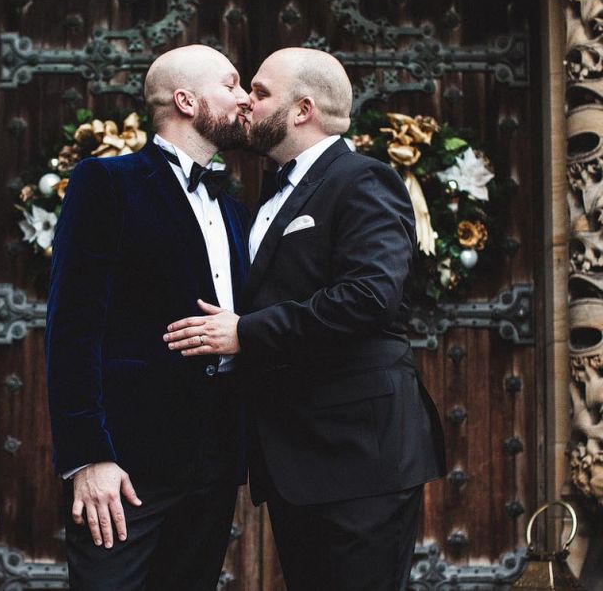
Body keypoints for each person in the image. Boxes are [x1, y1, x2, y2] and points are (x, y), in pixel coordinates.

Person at [164, 47, 446, 591]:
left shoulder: (364, 180)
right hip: (298, 460)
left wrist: (245, 332)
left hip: (360, 457)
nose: (247, 100)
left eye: (262, 92)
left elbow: (369, 296)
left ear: (302, 110)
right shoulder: (272, 194)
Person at [45, 44, 251, 590]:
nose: (244, 97)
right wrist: (88, 457)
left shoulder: (232, 208)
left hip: (213, 462)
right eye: (230, 85)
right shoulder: (107, 183)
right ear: (186, 100)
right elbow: (72, 327)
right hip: (126, 467)